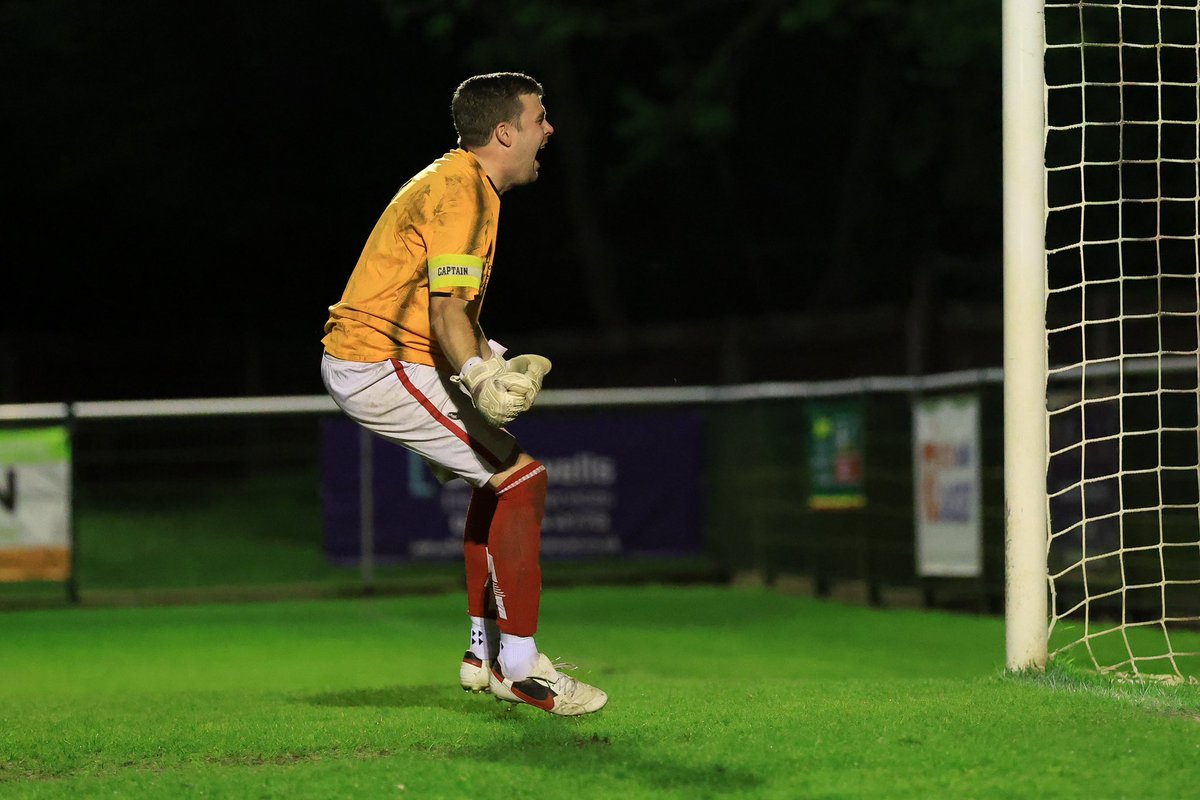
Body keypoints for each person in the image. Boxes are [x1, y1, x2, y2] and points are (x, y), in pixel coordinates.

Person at [320, 72, 607, 717]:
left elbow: (449, 307)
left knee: (499, 483)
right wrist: (479, 379)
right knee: (522, 482)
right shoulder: (464, 192)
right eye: (540, 118)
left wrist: (491, 357)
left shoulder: (460, 182)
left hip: (394, 356)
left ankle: (483, 654)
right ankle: (521, 668)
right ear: (505, 132)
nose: (548, 129)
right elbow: (447, 311)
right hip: (377, 362)